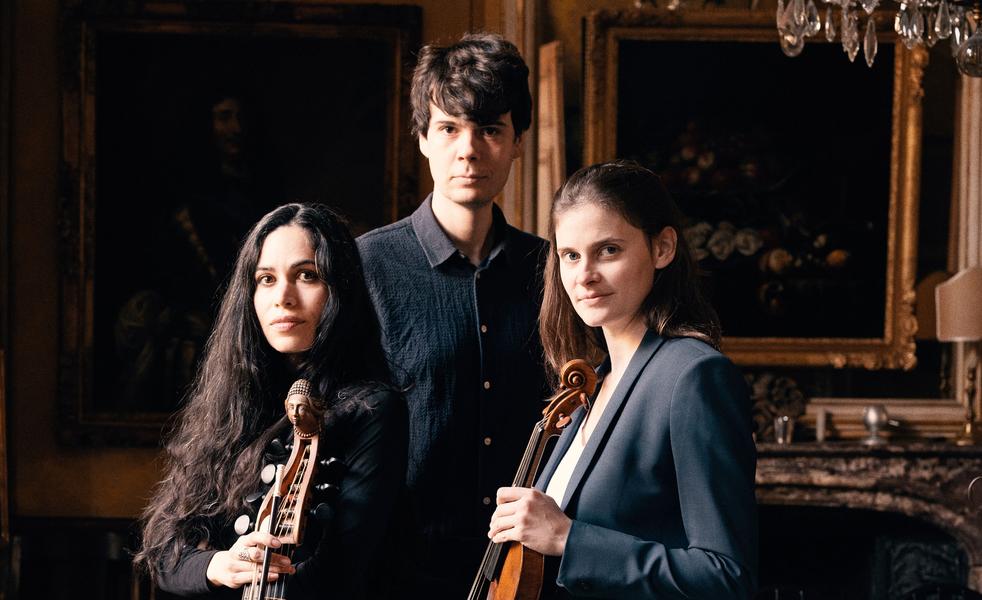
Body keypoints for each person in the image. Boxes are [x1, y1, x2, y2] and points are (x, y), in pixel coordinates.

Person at [487, 161, 758, 599]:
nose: (584, 276)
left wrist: (568, 538)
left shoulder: (693, 376)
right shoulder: (595, 384)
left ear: (662, 248)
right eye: (570, 255)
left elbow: (726, 577)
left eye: (609, 250)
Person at [356, 32, 548, 597]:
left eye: (489, 129)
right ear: (422, 139)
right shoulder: (366, 266)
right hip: (397, 574)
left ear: (517, 141)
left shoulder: (553, 271)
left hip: (524, 571)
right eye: (448, 128)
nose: (469, 149)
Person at [134, 203, 406, 599]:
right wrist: (219, 564)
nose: (283, 297)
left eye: (307, 275)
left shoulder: (372, 408)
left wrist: (268, 575)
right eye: (266, 279)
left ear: (340, 289)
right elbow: (165, 552)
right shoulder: (233, 401)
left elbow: (343, 567)